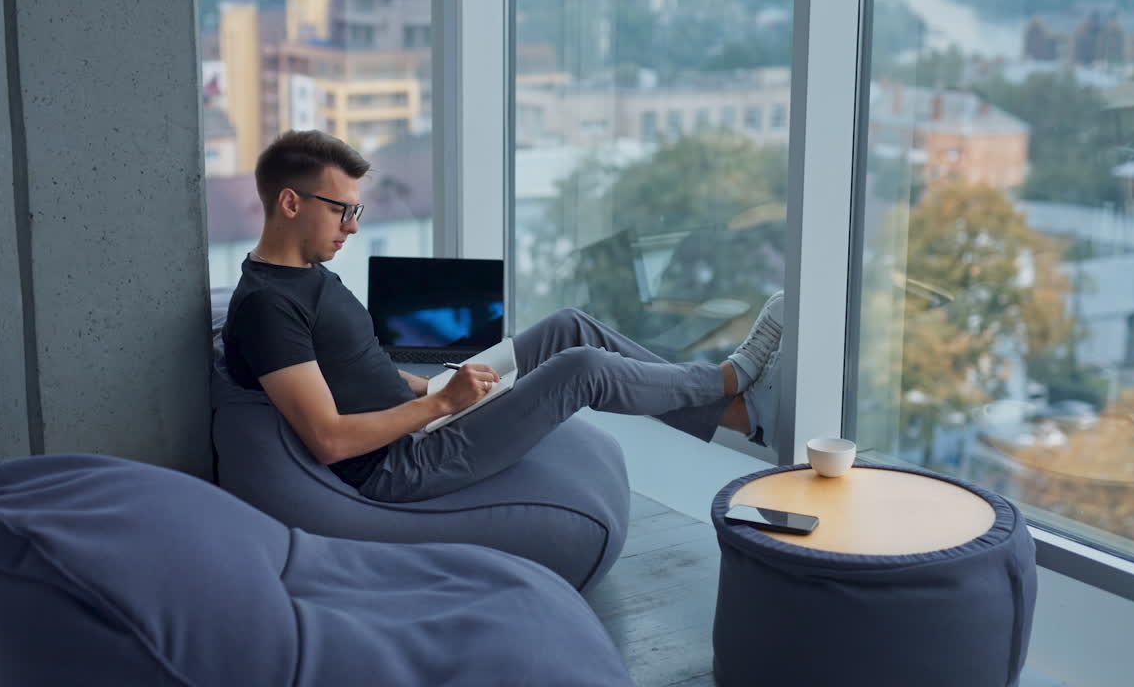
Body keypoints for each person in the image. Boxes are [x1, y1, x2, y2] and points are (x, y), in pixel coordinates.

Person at [223, 130, 784, 503]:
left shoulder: (308, 274)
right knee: (583, 366)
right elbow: (328, 440)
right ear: (291, 203)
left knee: (571, 325)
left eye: (357, 210)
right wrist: (440, 404)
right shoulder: (269, 307)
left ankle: (738, 415)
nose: (352, 225)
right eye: (342, 210)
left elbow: (354, 368)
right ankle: (726, 384)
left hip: (427, 410)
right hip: (402, 461)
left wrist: (436, 385)